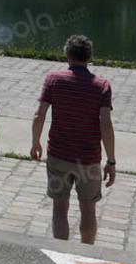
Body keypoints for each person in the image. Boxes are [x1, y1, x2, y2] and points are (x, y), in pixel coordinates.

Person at [30, 34, 116, 244]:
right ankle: (86, 254)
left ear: (67, 55)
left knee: (60, 207)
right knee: (88, 209)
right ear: (90, 57)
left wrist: (35, 142)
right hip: (88, 159)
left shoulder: (53, 80)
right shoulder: (102, 86)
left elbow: (39, 115)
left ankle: (61, 252)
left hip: (59, 155)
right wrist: (111, 160)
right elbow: (106, 124)